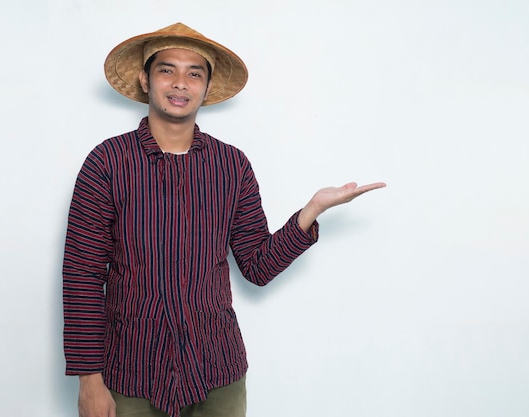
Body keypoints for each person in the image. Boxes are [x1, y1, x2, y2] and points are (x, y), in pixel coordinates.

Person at [63, 22, 385, 417]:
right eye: (167, 69)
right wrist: (89, 379)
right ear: (146, 80)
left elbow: (257, 266)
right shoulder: (107, 163)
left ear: (206, 87)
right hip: (129, 373)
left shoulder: (231, 165)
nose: (180, 83)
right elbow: (81, 275)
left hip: (216, 372)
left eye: (194, 73)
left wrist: (311, 211)